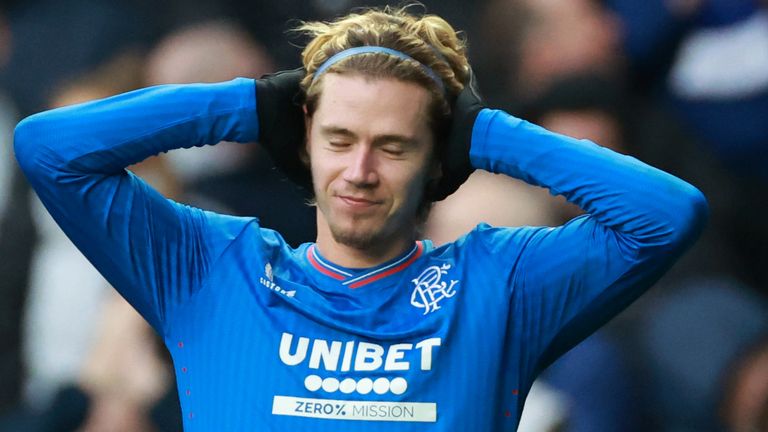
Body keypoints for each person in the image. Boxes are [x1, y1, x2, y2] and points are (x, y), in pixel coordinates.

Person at [13, 6, 707, 431]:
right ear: (305, 139)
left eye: (395, 146)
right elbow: (50, 149)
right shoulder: (211, 268)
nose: (360, 171)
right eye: (339, 140)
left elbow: (666, 214)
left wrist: (485, 132)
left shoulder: (499, 283)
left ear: (437, 162)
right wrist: (250, 105)